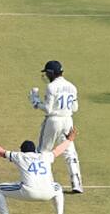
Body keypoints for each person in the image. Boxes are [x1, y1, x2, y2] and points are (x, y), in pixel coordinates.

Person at [0, 127, 78, 214]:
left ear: (22, 150)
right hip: (48, 192)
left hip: (28, 192)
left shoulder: (19, 156)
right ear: (35, 150)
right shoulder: (46, 156)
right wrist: (69, 140)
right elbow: (58, 150)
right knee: (58, 188)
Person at [29, 60, 83, 193]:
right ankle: (76, 183)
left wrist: (35, 102)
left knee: (43, 151)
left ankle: (41, 181)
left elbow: (47, 109)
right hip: (68, 120)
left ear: (50, 73)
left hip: (53, 121)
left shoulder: (51, 87)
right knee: (70, 152)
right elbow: (75, 108)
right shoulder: (72, 86)